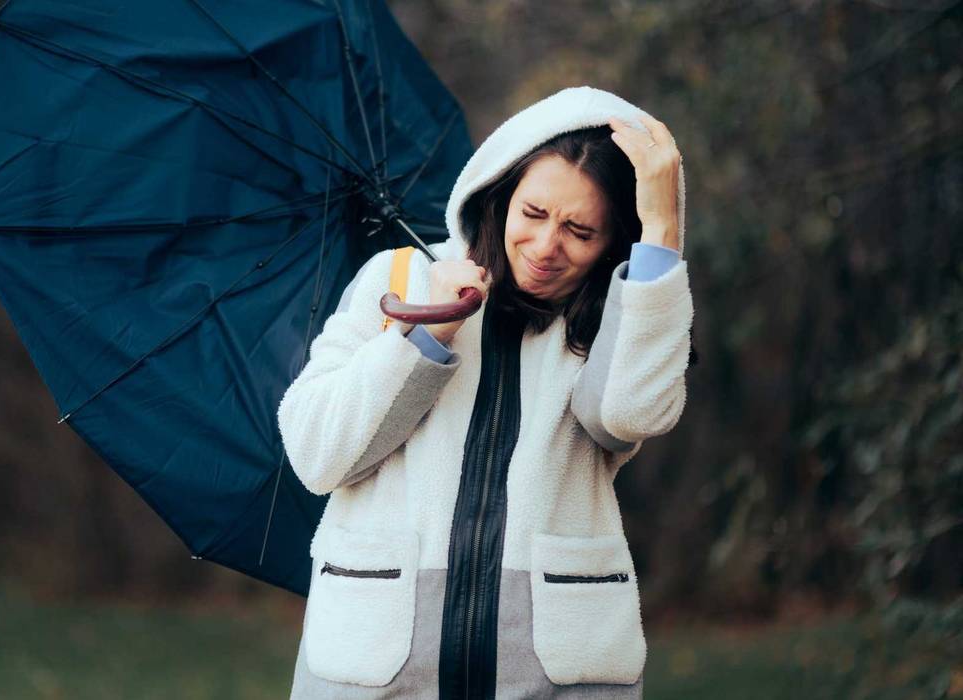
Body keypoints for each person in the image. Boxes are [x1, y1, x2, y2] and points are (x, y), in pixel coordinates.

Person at [277, 85, 694, 699]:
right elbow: (317, 452)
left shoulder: (620, 317)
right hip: (377, 670)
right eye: (533, 214)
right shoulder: (398, 280)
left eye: (580, 231)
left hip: (551, 676)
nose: (547, 247)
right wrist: (425, 333)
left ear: (614, 243)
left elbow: (631, 411)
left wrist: (661, 230)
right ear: (501, 192)